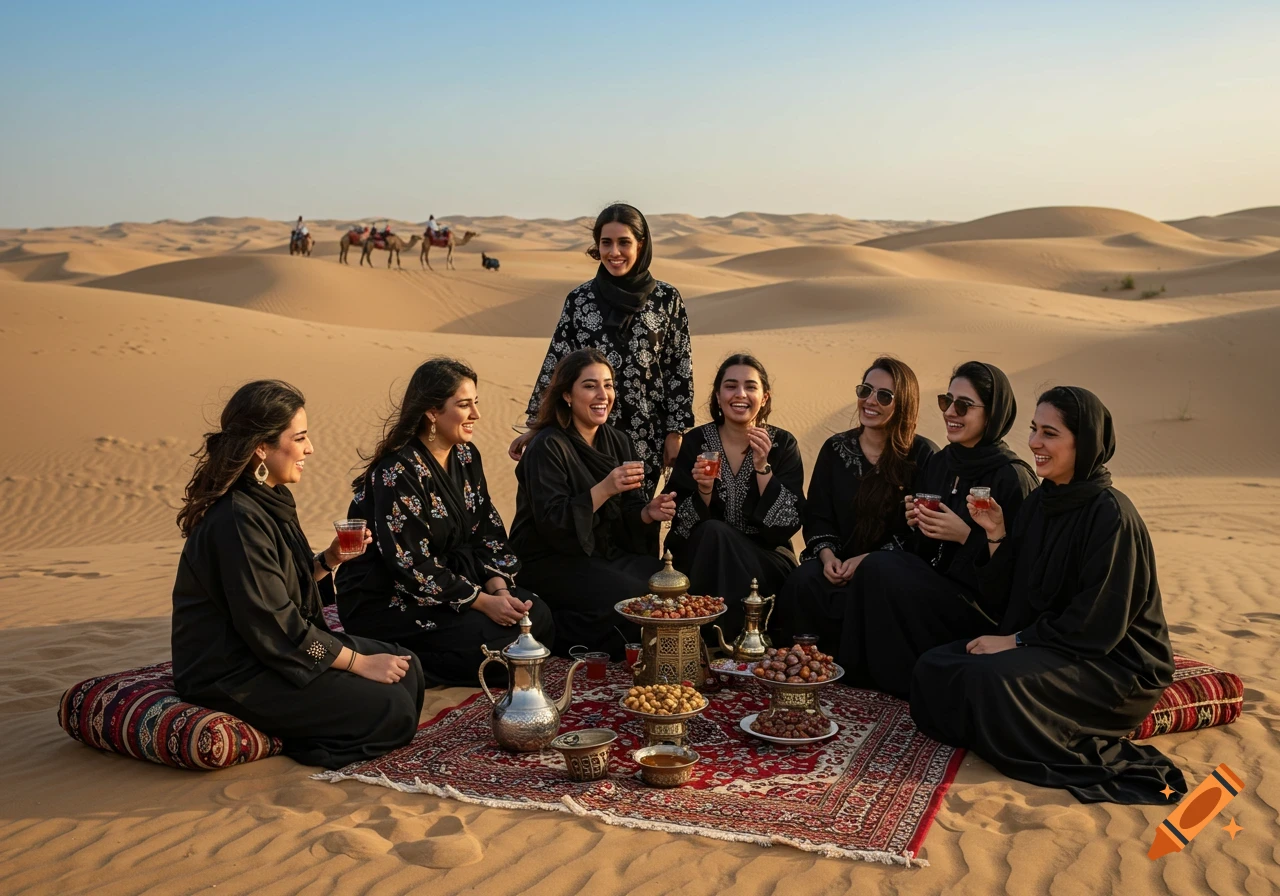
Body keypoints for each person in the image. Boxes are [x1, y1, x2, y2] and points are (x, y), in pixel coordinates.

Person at [910, 387, 1186, 804]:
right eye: (1034, 430)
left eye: (1050, 433)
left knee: (989, 680)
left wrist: (1015, 642)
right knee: (934, 667)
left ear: (1084, 441)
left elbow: (1097, 623)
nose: (1035, 443)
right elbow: (1013, 594)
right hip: (1053, 643)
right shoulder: (1041, 502)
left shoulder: (1111, 515)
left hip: (1111, 666)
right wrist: (997, 533)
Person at [170, 380, 424, 769]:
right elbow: (274, 623)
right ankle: (292, 748)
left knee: (408, 667)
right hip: (235, 670)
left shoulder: (270, 500)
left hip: (270, 652)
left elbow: (280, 584)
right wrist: (357, 663)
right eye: (300, 437)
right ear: (261, 447)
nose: (309, 449)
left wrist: (329, 560)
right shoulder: (237, 520)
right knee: (392, 710)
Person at [335, 359, 554, 686]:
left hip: (458, 583)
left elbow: (488, 533)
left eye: (475, 403)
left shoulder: (466, 456)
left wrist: (500, 591)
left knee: (537, 618)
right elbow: (411, 564)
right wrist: (483, 603)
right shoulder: (397, 472)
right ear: (432, 412)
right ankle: (405, 661)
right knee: (494, 646)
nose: (476, 415)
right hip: (392, 596)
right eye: (464, 405)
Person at [833, 361, 1039, 696]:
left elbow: (1019, 575)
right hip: (939, 588)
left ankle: (901, 685)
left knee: (882, 568)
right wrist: (917, 523)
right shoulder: (942, 462)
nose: (950, 412)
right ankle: (864, 680)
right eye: (947, 401)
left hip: (982, 610)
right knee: (873, 570)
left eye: (963, 406)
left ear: (993, 413)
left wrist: (965, 536)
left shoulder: (1012, 477)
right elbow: (924, 551)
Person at [509, 203, 693, 501]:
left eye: (624, 242)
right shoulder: (579, 300)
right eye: (606, 242)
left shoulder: (666, 299)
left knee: (638, 515)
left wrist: (676, 432)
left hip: (646, 433)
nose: (614, 252)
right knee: (590, 510)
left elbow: (679, 368)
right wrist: (535, 427)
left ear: (641, 245)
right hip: (586, 431)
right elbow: (556, 364)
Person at [508, 349, 676, 657]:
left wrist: (647, 513)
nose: (603, 395)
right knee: (627, 595)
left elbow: (627, 513)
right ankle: (559, 638)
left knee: (660, 579)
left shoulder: (618, 440)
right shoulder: (547, 445)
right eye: (590, 385)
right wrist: (605, 488)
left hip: (601, 553)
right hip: (551, 558)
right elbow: (554, 524)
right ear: (567, 395)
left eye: (608, 385)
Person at [778, 357, 936, 648]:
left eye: (884, 396)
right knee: (802, 582)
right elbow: (818, 515)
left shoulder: (922, 457)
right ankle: (799, 670)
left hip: (890, 570)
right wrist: (828, 558)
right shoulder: (835, 449)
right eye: (865, 391)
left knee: (876, 587)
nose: (870, 401)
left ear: (903, 404)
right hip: (836, 562)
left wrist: (866, 562)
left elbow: (921, 533)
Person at [664, 354, 804, 637]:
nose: (740, 394)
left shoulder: (782, 444)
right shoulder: (697, 441)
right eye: (730, 386)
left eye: (750, 387)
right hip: (706, 560)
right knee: (713, 533)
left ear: (764, 397)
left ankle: (731, 643)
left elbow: (787, 523)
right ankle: (709, 644)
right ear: (718, 395)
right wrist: (704, 490)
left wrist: (763, 466)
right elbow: (678, 521)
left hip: (765, 561)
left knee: (717, 534)